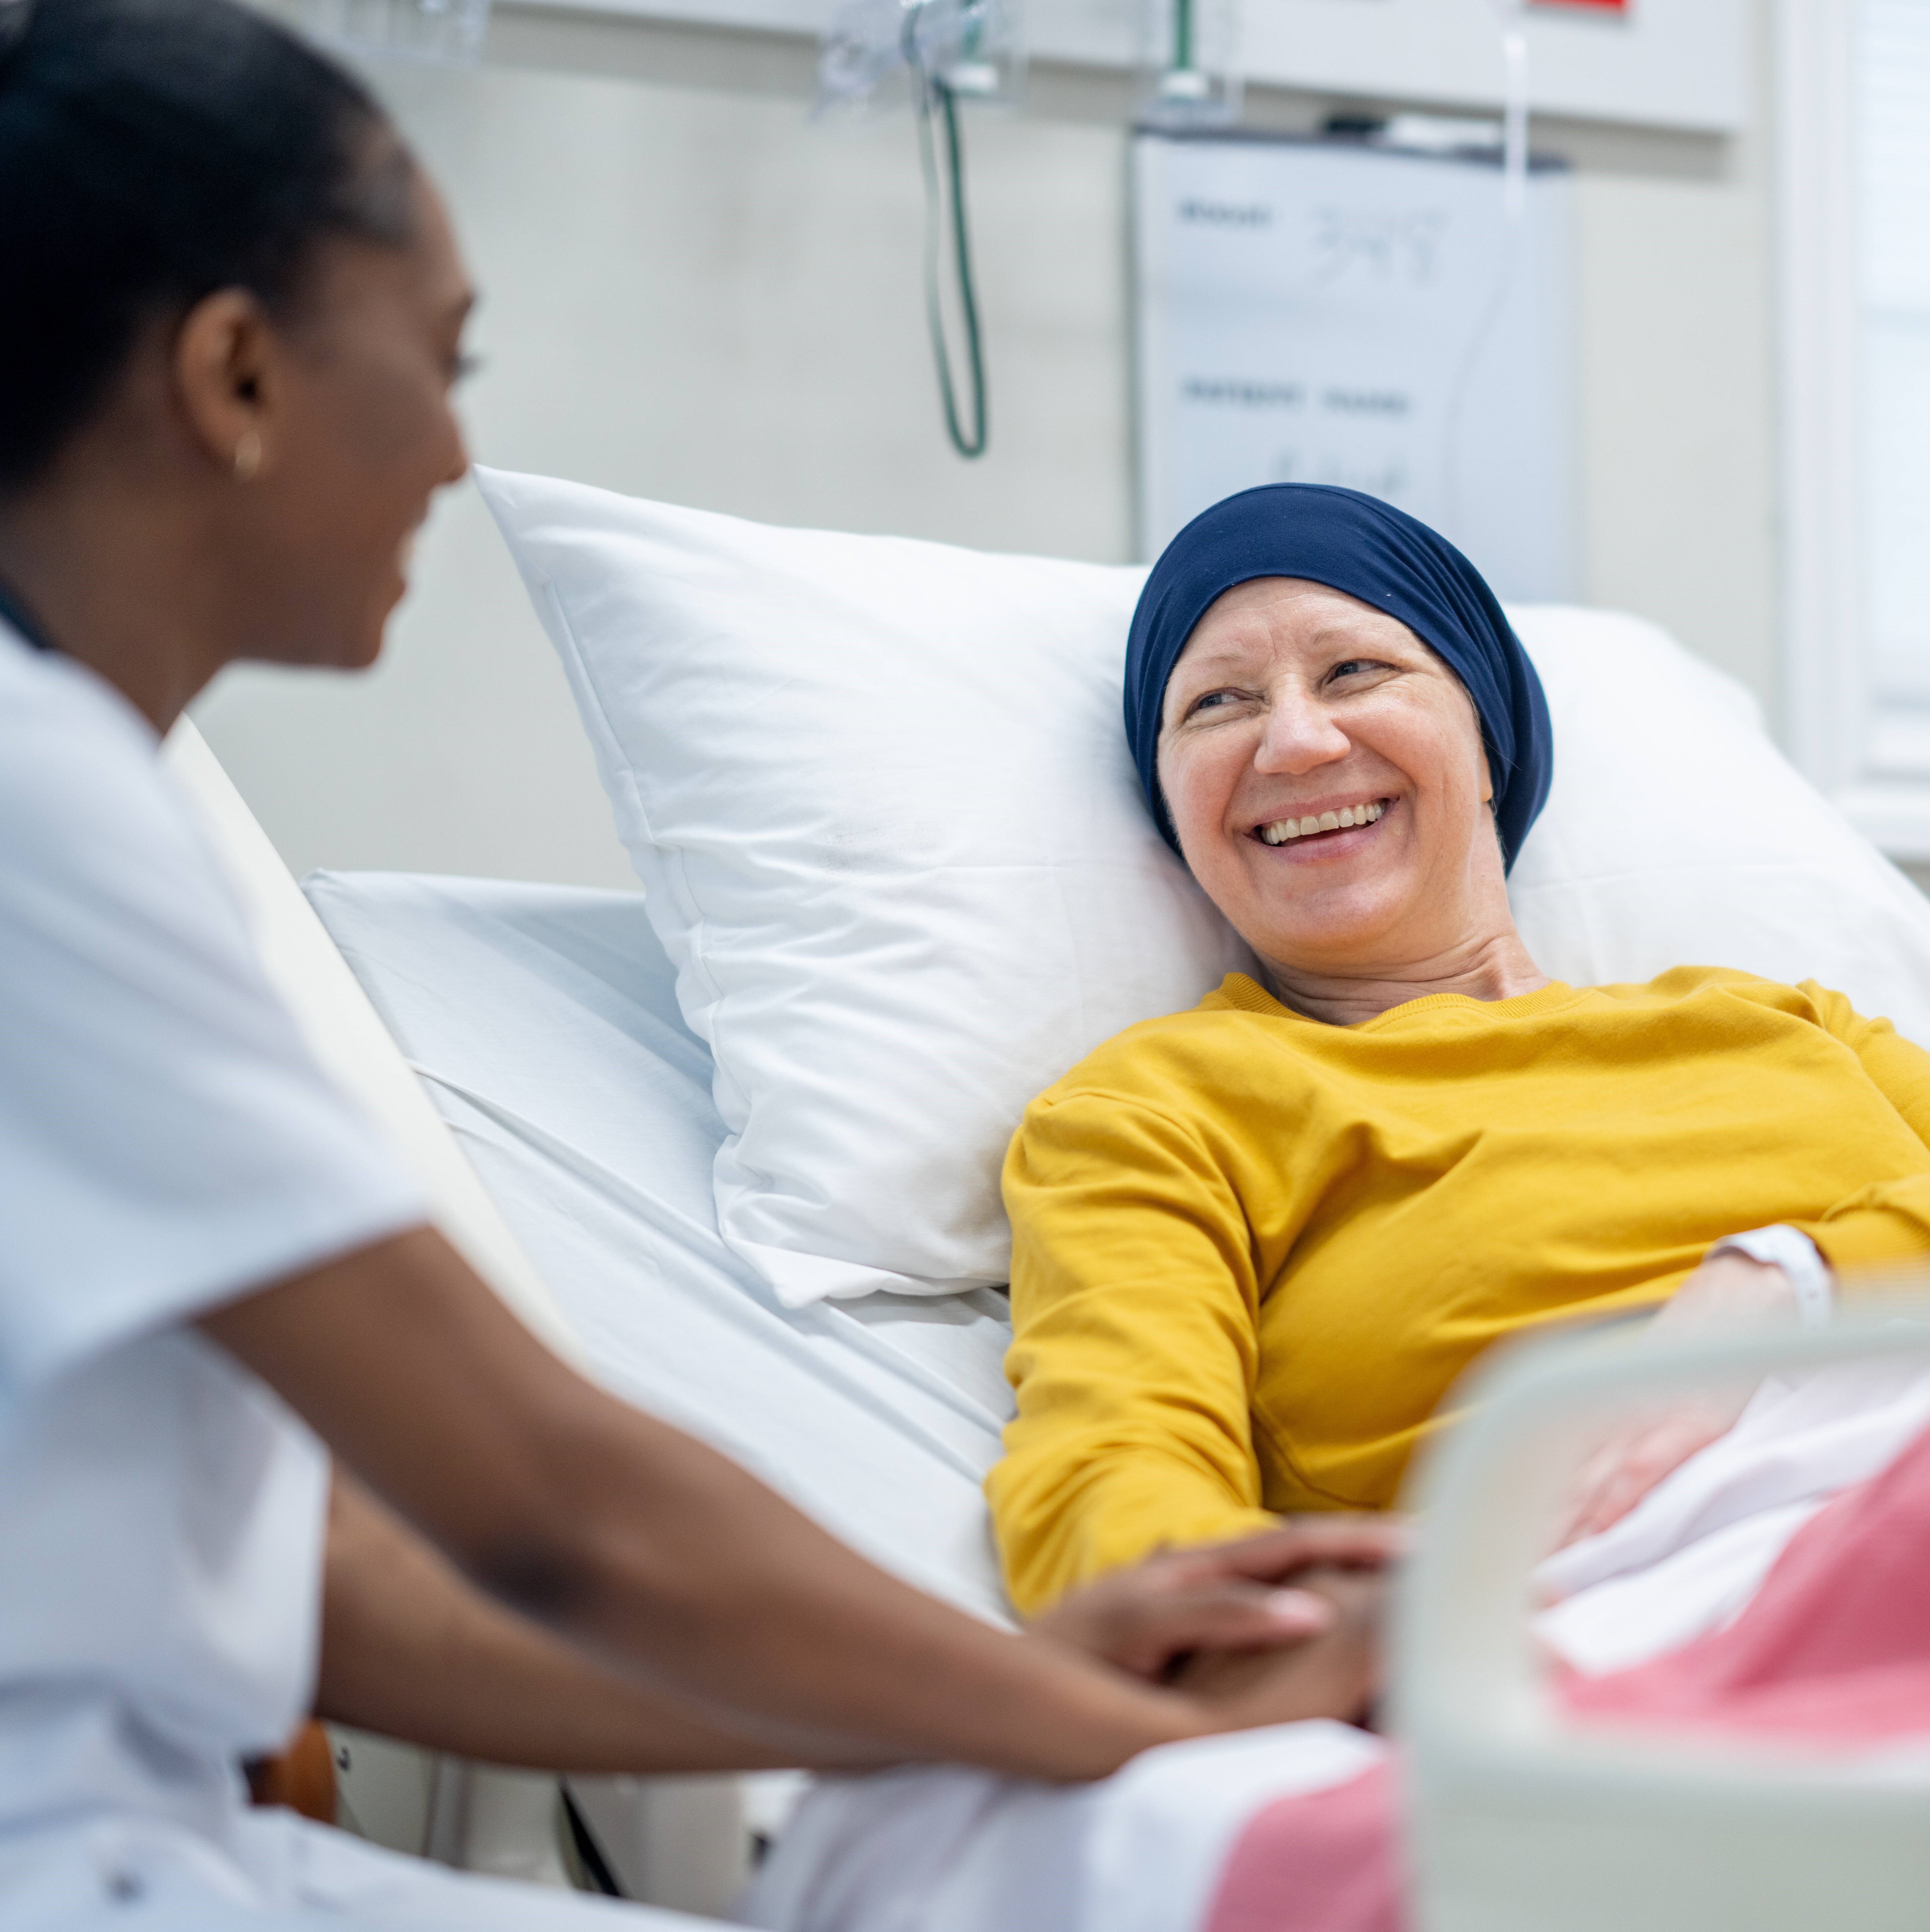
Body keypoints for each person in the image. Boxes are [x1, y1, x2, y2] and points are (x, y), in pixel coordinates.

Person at [0, 4, 1404, 1925]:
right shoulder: (45, 815)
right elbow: (546, 1499)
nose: (453, 452)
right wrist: (1093, 1728)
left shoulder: (91, 796)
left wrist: (1006, 1707)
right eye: (441, 359)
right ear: (236, 374)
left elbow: (316, 1594)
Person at [988, 482, 1930, 1618]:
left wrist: (1781, 1288)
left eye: (1355, 673)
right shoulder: (1155, 1112)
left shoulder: (1781, 1021)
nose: (1294, 739)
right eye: (1216, 706)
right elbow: (1114, 1470)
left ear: (1486, 741)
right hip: (1646, 1604)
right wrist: (1276, 1647)